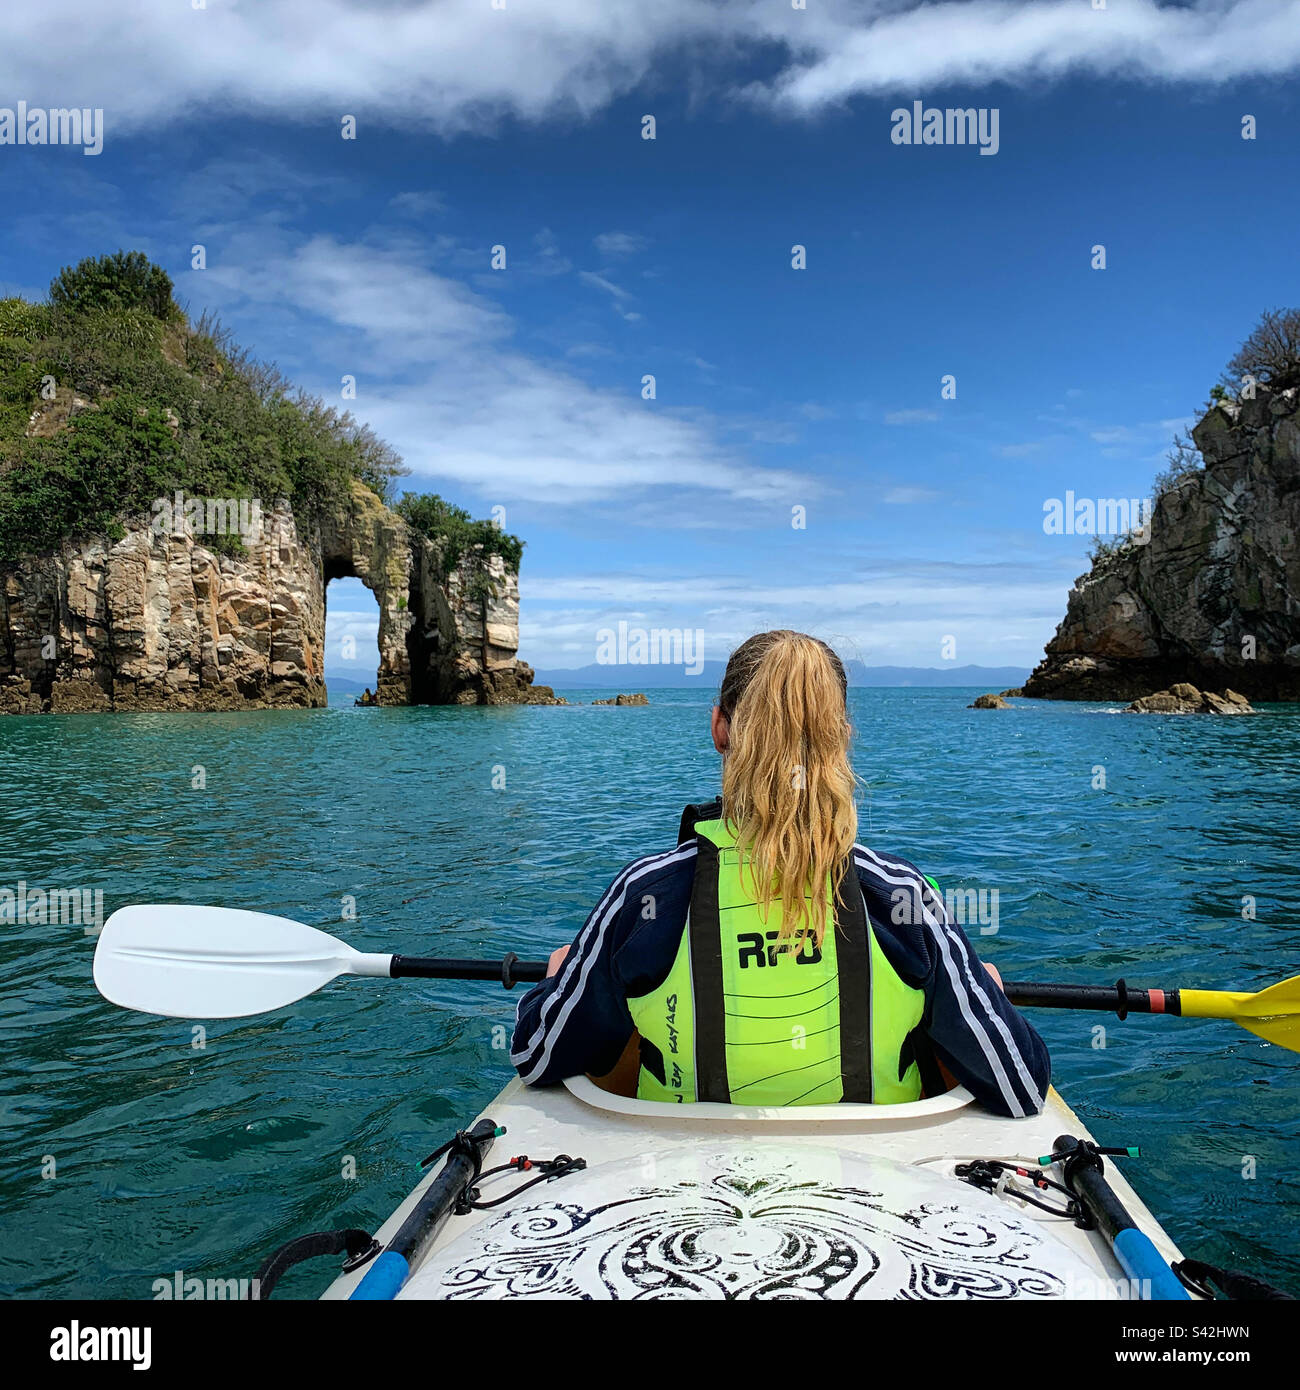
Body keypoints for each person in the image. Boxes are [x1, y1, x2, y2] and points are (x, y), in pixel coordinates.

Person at [510, 630, 1050, 1116]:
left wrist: (561, 979)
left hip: (685, 1182)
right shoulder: (900, 895)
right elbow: (1021, 1084)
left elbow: (537, 1056)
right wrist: (987, 995)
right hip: (876, 1189)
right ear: (840, 735)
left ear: (721, 727)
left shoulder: (645, 893)